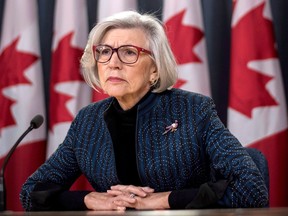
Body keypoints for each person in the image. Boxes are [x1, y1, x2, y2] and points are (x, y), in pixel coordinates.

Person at [20, 10, 268, 211]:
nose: (113, 63)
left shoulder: (194, 110)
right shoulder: (88, 120)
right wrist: (88, 199)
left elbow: (251, 188)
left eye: (129, 52)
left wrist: (163, 200)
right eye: (105, 52)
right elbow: (31, 192)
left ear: (155, 69)